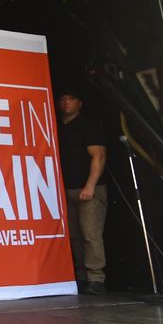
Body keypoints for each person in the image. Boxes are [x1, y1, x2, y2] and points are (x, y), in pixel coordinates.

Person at [56, 87, 108, 295]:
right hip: (65, 190)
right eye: (63, 98)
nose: (66, 103)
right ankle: (80, 276)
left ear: (80, 103)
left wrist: (90, 185)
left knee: (90, 234)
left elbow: (99, 156)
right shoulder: (56, 126)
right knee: (74, 236)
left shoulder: (88, 126)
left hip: (88, 189)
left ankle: (96, 278)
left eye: (71, 98)